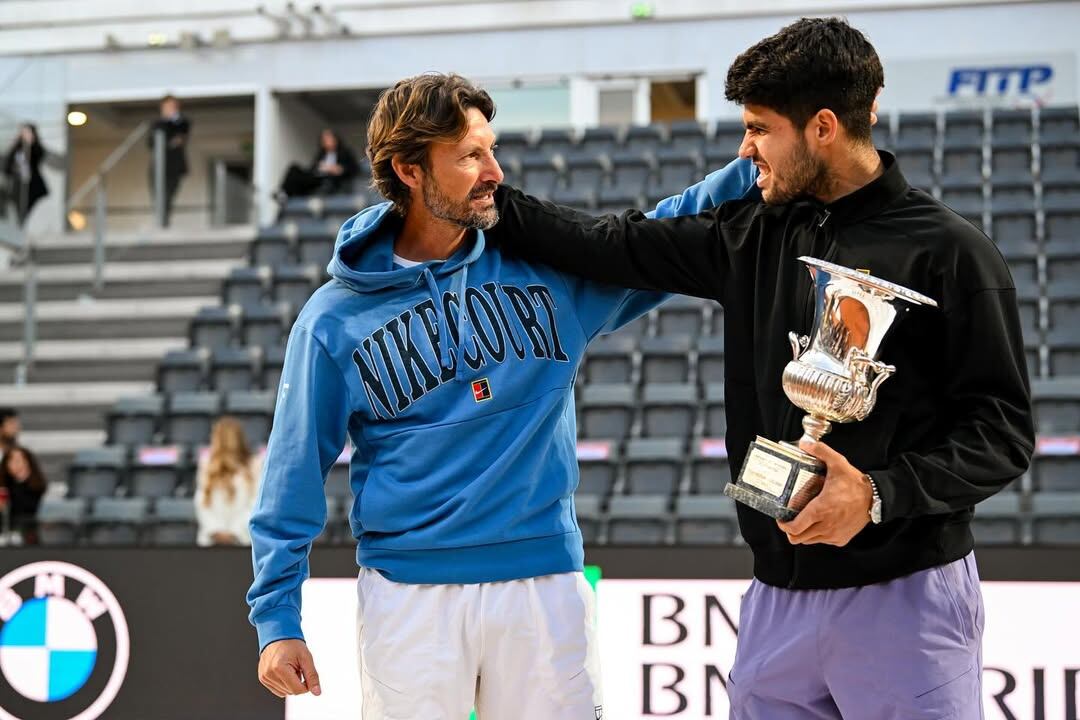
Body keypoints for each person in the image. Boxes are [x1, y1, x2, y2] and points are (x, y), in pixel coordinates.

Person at [485, 18, 1035, 720]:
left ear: (824, 127)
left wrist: (875, 494)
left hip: (908, 596)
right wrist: (492, 205)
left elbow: (1003, 434)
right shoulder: (756, 232)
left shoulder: (954, 254)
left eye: (759, 128)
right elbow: (615, 243)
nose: (746, 149)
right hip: (776, 599)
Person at [247, 72, 761, 717]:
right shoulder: (333, 319)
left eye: (491, 149)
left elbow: (659, 236)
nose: (494, 171)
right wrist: (278, 621)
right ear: (409, 170)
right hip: (410, 596)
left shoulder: (547, 271)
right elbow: (293, 473)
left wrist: (746, 170)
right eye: (468, 155)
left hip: (543, 583)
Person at [195, 417, 262, 547]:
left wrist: (235, 532)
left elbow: (255, 504)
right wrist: (215, 530)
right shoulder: (206, 465)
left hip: (243, 541)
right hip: (211, 542)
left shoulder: (255, 465)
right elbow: (202, 502)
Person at [274, 129, 360, 205]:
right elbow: (313, 169)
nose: (326, 141)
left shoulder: (345, 153)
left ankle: (287, 194)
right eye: (324, 139)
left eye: (328, 139)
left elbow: (354, 168)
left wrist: (335, 169)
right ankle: (283, 193)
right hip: (315, 177)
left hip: (329, 179)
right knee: (294, 169)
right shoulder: (321, 154)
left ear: (335, 139)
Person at [147, 94, 191, 227]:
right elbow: (151, 143)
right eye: (167, 106)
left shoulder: (181, 122)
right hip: (158, 165)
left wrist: (172, 121)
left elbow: (182, 133)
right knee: (157, 196)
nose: (170, 109)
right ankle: (161, 223)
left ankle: (164, 223)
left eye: (173, 106)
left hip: (174, 166)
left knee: (168, 196)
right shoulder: (156, 123)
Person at [3, 124, 49, 227]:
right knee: (18, 210)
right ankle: (20, 225)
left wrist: (30, 144)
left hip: (32, 186)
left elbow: (39, 156)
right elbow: (8, 166)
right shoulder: (16, 149)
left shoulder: (35, 148)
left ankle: (24, 225)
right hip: (19, 186)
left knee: (29, 209)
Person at [0, 445, 47, 545]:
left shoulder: (36, 486)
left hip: (27, 533)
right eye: (11, 460)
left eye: (19, 460)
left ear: (28, 463)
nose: (15, 464)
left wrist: (20, 480)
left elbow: (26, 508)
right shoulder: (3, 485)